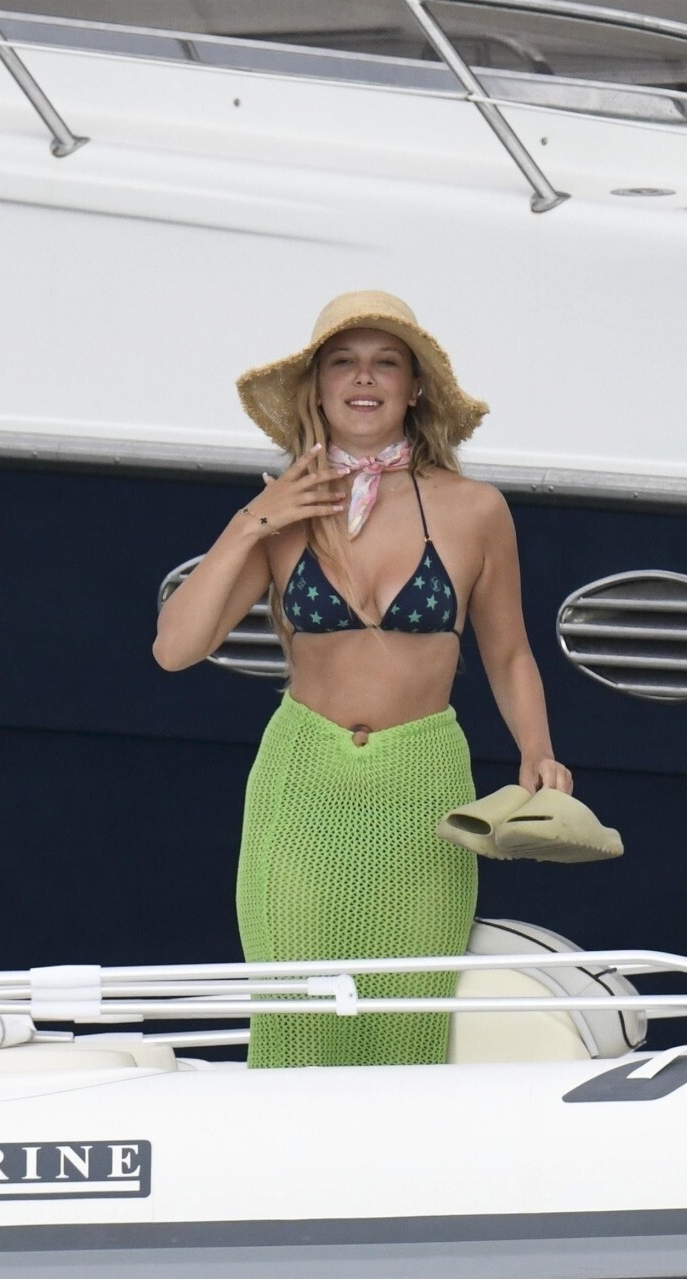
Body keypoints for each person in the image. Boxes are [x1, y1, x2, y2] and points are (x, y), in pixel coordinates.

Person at [154, 290, 574, 1067]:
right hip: (301, 788)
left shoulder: (475, 509)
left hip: (423, 789)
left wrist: (536, 749)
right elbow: (175, 647)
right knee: (298, 1030)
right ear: (316, 388)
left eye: (387, 362)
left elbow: (510, 652)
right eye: (343, 362)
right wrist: (255, 520)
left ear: (415, 388)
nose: (364, 378)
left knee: (407, 1029)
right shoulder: (283, 511)